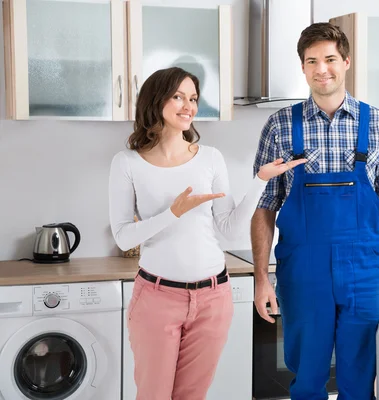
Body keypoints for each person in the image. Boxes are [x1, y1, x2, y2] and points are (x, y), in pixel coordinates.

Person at [108, 67, 305, 400]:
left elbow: (228, 229)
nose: (189, 106)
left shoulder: (210, 159)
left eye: (194, 99)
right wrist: (173, 213)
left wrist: (260, 180)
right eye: (179, 97)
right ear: (157, 101)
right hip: (157, 298)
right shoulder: (127, 163)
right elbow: (124, 237)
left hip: (213, 297)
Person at [251, 23, 379, 400]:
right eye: (312, 61)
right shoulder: (280, 126)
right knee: (307, 377)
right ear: (303, 68)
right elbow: (263, 208)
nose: (322, 69)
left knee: (359, 376)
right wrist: (260, 278)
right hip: (303, 270)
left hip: (365, 270)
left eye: (330, 59)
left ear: (346, 62)